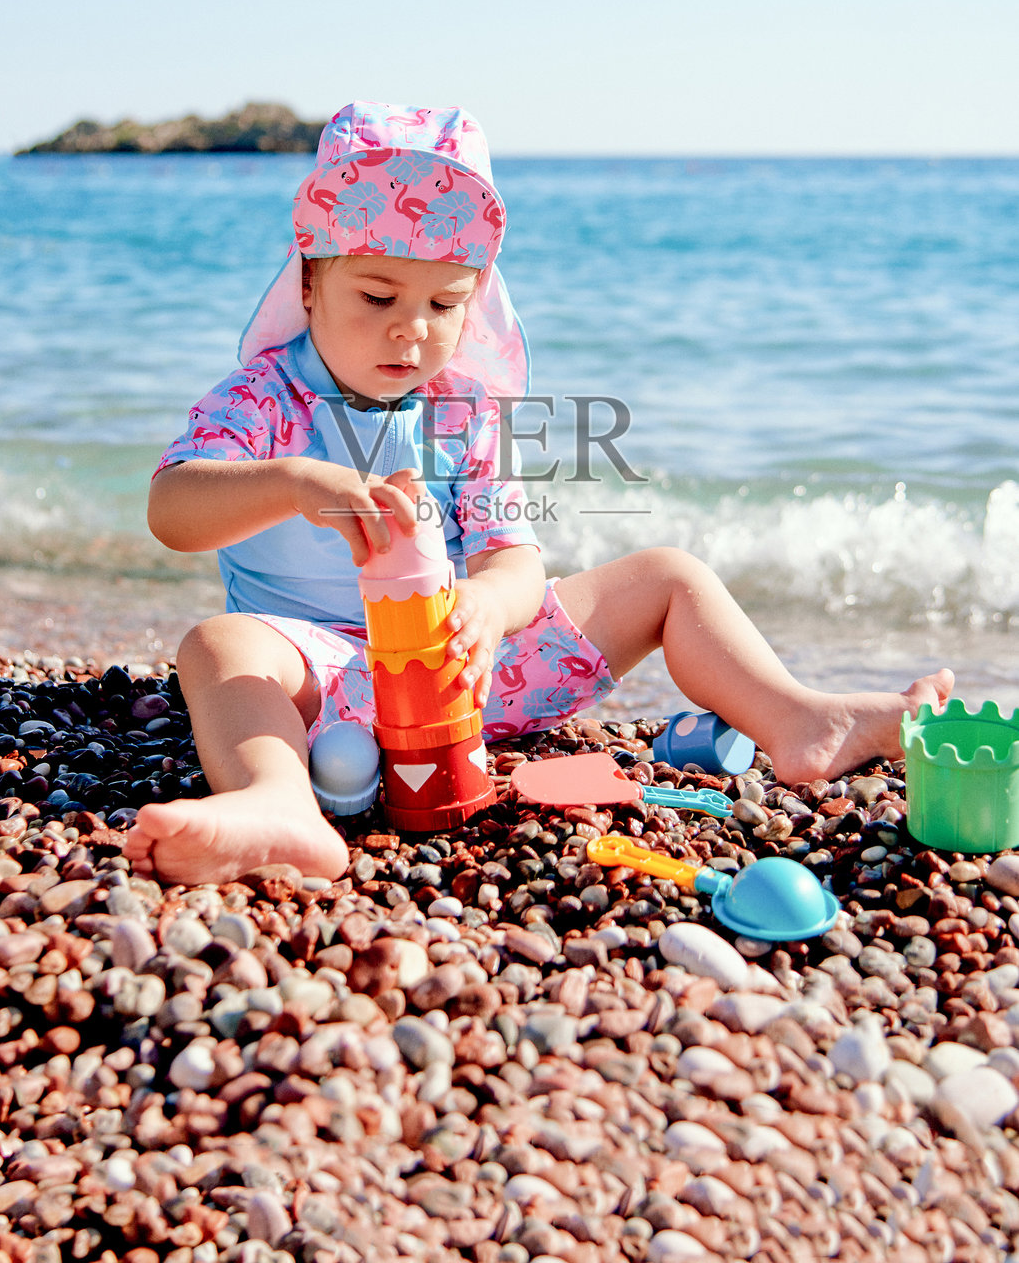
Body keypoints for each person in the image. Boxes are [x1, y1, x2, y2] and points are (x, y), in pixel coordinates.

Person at [124, 102, 952, 886]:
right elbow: (174, 510)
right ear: (310, 284)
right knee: (220, 645)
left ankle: (798, 719)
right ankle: (277, 799)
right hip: (318, 675)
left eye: (444, 304)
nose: (411, 329)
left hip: (465, 673)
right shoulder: (264, 399)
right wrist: (293, 480)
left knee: (667, 577)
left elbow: (514, 557)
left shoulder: (461, 411)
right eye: (377, 297)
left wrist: (486, 605)